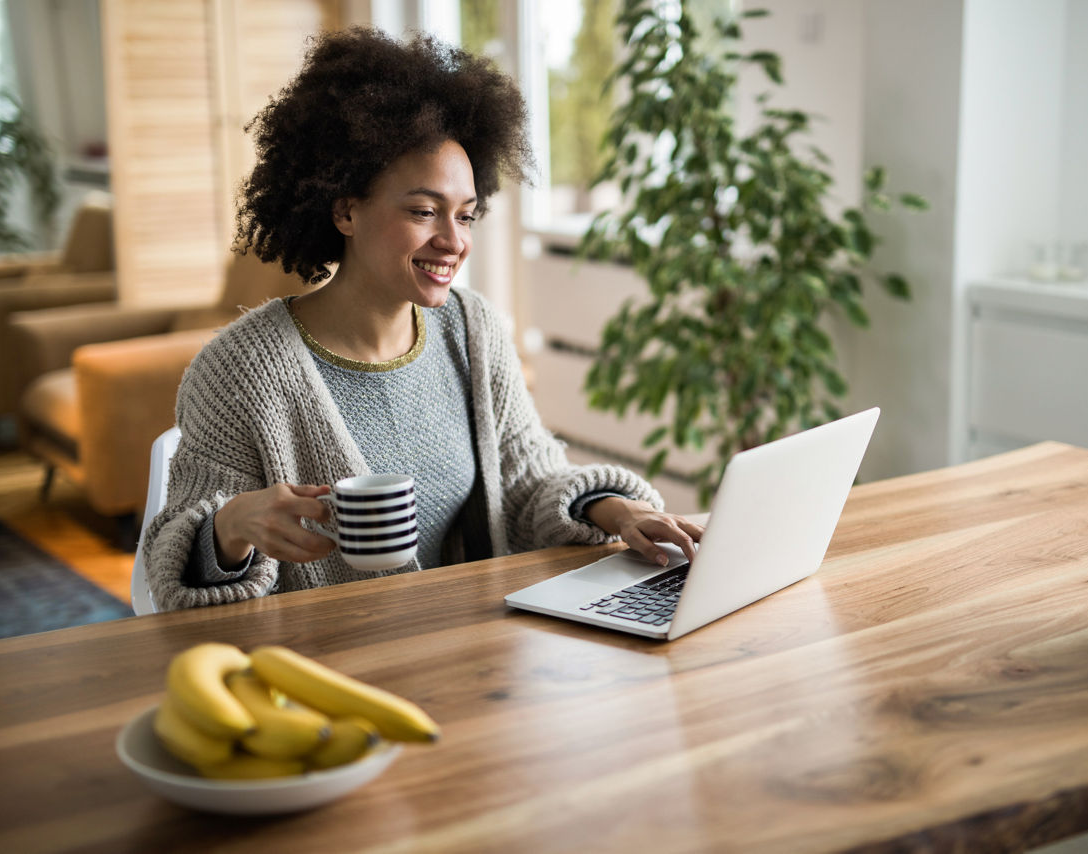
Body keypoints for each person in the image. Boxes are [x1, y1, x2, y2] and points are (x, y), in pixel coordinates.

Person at [142, 27, 703, 612]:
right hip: (321, 672)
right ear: (345, 209)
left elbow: (527, 477)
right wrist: (231, 527)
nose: (452, 241)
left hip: (473, 648)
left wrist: (621, 513)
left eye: (465, 215)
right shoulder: (240, 373)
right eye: (423, 211)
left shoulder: (473, 329)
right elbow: (173, 567)